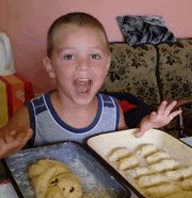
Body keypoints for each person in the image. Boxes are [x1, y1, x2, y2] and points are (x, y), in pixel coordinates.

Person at [0, 12, 181, 159]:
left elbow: (124, 146)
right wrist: (7, 150)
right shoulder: (32, 113)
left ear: (107, 64)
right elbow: (5, 141)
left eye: (94, 56)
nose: (84, 65)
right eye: (69, 56)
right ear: (50, 67)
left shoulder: (112, 109)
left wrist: (145, 128)